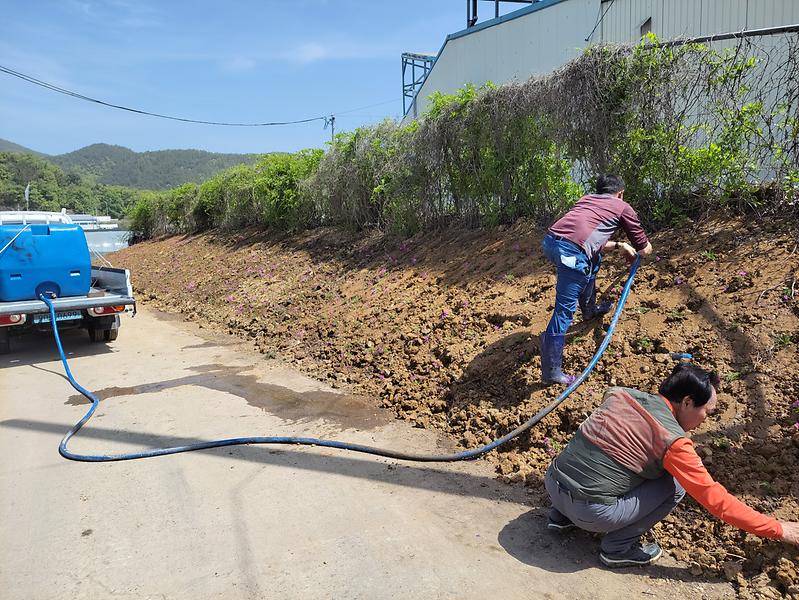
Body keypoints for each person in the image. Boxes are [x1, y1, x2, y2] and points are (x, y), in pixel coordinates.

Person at [544, 363, 799, 568]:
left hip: (553, 484)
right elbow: (715, 499)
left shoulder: (620, 395)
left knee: (608, 462)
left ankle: (561, 516)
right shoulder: (672, 441)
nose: (705, 420)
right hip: (592, 514)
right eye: (707, 412)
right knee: (674, 483)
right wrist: (778, 529)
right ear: (687, 402)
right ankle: (618, 549)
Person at [540, 174, 653, 384]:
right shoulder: (622, 207)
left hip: (551, 242)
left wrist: (620, 246)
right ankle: (551, 372)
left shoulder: (586, 200)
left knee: (593, 257)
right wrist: (643, 248)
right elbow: (644, 248)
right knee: (564, 310)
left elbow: (590, 240)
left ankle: (590, 309)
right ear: (620, 193)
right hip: (570, 253)